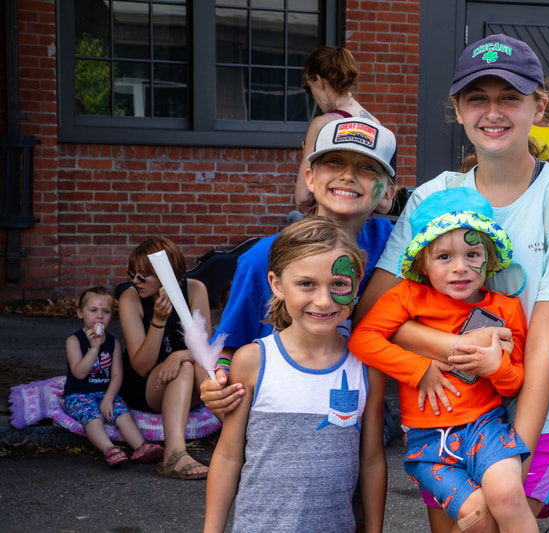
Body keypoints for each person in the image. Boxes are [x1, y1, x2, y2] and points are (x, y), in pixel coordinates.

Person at [354, 34, 549, 531]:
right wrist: (453, 346)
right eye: (478, 98)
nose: (493, 112)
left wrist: (514, 457)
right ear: (457, 108)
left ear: (540, 106)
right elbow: (373, 314)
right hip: (444, 411)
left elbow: (542, 349)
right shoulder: (433, 197)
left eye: (510, 97)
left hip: (535, 405)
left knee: (498, 521)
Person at [350, 188, 534, 530]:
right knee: (476, 518)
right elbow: (362, 339)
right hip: (428, 441)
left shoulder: (506, 309)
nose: (461, 268)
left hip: (486, 427)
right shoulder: (405, 296)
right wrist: (419, 369)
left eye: (473, 253)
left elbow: (514, 383)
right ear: (422, 261)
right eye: (444, 257)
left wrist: (495, 368)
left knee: (508, 496)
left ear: (490, 258)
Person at [199, 116, 396, 417]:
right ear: (310, 178)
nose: (347, 175)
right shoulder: (263, 257)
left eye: (367, 167)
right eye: (334, 162)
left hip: (361, 411)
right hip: (279, 416)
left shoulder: (396, 247)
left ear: (388, 194)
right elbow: (229, 343)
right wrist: (217, 380)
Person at [204, 216, 386, 533]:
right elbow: (229, 456)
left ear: (356, 284)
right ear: (276, 284)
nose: (323, 300)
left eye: (339, 284)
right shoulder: (252, 361)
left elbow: (371, 461)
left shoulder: (366, 369)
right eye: (306, 284)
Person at [118, 237, 211, 479]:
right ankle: (174, 454)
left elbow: (205, 349)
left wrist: (179, 356)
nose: (134, 281)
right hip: (146, 386)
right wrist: (158, 322)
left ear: (166, 276)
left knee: (194, 367)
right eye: (132, 274)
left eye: (142, 276)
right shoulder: (130, 299)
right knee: (186, 369)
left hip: (187, 382)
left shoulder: (195, 289)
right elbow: (140, 367)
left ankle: (246, 441)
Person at [63, 286, 164, 467]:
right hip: (78, 394)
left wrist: (108, 399)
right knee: (92, 417)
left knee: (123, 415)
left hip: (105, 393)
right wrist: (94, 349)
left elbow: (117, 375)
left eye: (106, 311)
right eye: (93, 310)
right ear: (80, 313)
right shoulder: (74, 341)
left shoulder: (113, 343)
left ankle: (141, 447)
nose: (100, 316)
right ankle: (109, 449)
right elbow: (79, 373)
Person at [294, 45, 380, 213]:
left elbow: (302, 196)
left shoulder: (322, 125)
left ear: (319, 81)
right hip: (361, 226)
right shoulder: (375, 124)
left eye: (308, 87)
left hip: (328, 228)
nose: (312, 95)